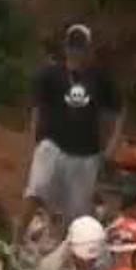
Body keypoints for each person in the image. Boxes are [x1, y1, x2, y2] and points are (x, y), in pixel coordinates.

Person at [16, 24, 123, 244]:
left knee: (76, 212)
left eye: (81, 47)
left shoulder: (100, 79)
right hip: (52, 144)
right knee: (37, 190)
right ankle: (15, 241)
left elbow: (118, 111)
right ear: (66, 47)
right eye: (72, 46)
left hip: (86, 153)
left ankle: (63, 250)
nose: (76, 52)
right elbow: (36, 107)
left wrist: (112, 144)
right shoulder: (51, 74)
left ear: (89, 50)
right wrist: (33, 140)